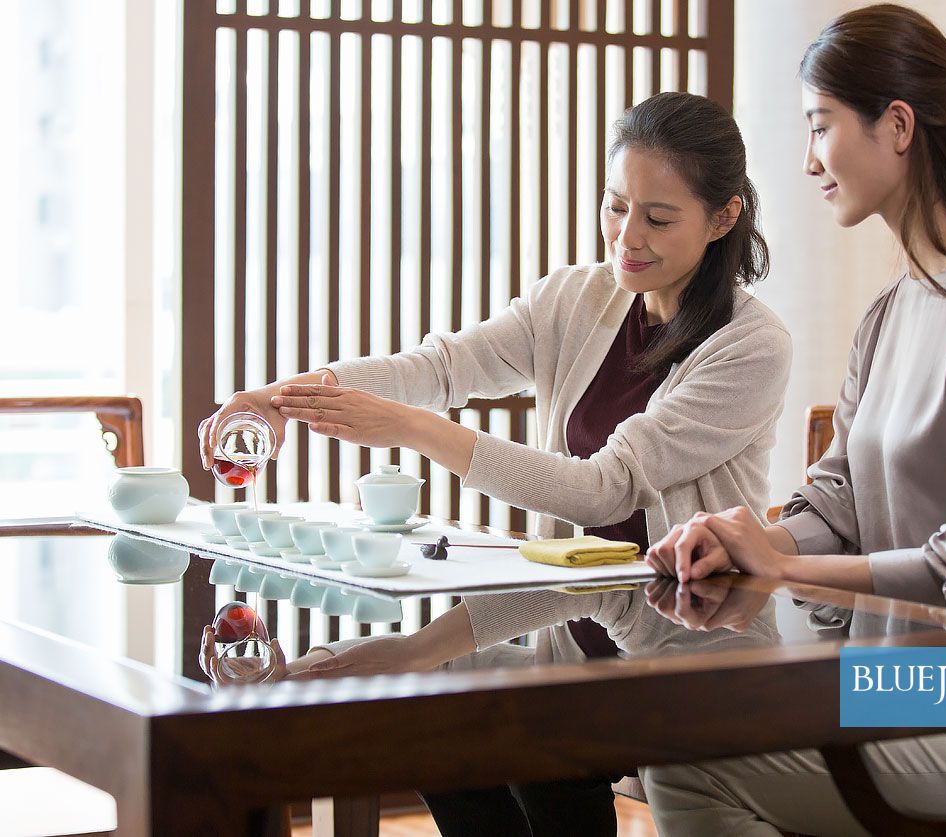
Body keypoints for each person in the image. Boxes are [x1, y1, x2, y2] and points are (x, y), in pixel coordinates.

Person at [198, 90, 792, 836]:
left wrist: (411, 431)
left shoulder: (750, 344)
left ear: (724, 216)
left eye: (658, 217)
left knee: (508, 725)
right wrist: (284, 397)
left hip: (693, 660)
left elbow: (601, 491)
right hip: (571, 640)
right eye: (615, 206)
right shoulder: (576, 299)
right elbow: (441, 367)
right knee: (419, 698)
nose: (627, 236)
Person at [640, 5, 946, 834]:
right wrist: (751, 535)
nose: (806, 162)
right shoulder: (888, 312)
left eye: (820, 127)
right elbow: (837, 497)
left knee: (688, 757)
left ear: (898, 126)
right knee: (678, 718)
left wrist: (782, 568)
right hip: (916, 687)